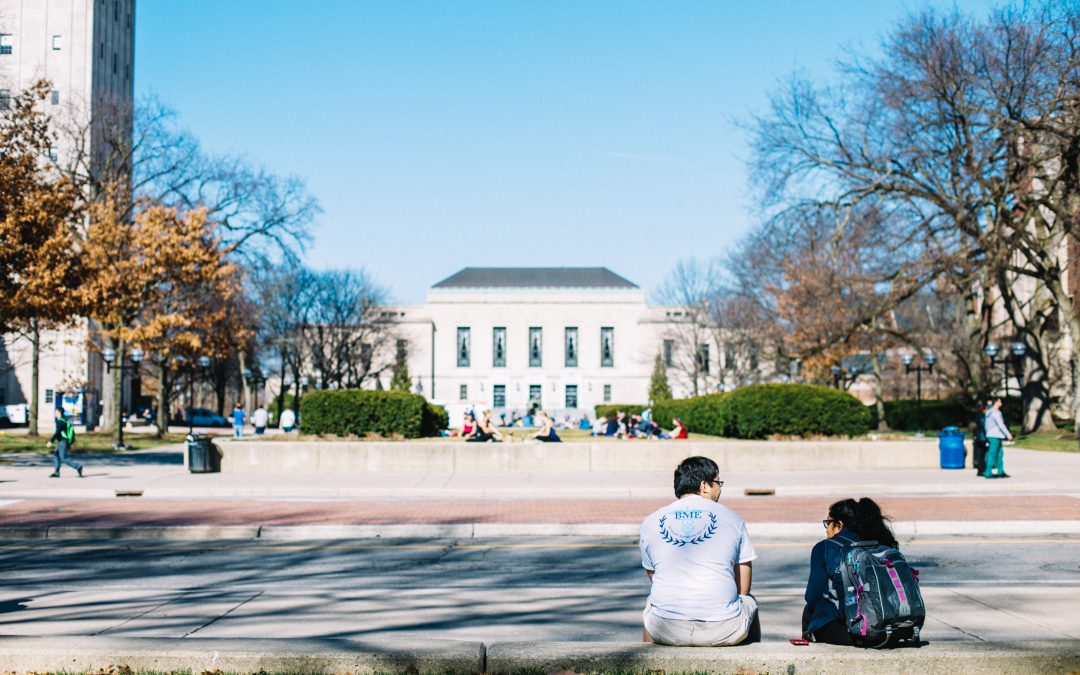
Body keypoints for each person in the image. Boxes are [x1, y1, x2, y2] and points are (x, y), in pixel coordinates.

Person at [639, 456, 758, 646]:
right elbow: (743, 586)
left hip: (666, 629)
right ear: (704, 486)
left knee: (653, 604)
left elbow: (654, 574)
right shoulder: (732, 518)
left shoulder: (651, 520)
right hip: (723, 628)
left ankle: (651, 665)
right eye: (718, 482)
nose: (720, 488)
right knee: (748, 601)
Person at [802, 497, 898, 644]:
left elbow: (813, 596)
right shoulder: (881, 543)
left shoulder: (825, 547)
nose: (827, 529)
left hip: (848, 631)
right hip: (888, 627)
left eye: (828, 523)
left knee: (809, 611)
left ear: (839, 525)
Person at [46, 408, 83, 478]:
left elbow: (57, 433)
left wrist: (51, 441)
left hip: (63, 442)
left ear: (59, 412)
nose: (54, 413)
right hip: (62, 441)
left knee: (63, 458)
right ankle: (56, 472)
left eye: (55, 412)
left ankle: (78, 466)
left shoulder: (61, 421)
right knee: (56, 455)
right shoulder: (63, 420)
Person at [984, 397, 1012, 478]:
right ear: (996, 402)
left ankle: (1000, 471)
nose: (1001, 402)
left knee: (1000, 454)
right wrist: (1008, 434)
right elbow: (1001, 424)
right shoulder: (995, 412)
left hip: (994, 435)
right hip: (994, 435)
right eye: (1000, 401)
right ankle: (988, 472)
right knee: (992, 454)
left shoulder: (989, 411)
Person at [972, 401, 989, 475]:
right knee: (984, 455)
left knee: (980, 455)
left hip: (978, 437)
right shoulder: (983, 417)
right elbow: (984, 427)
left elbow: (975, 428)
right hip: (983, 438)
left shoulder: (977, 416)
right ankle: (983, 470)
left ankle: (980, 470)